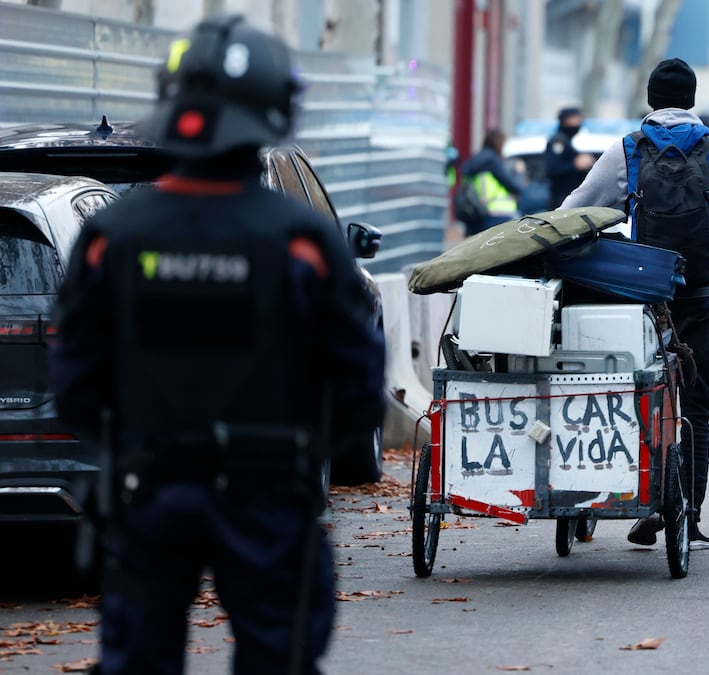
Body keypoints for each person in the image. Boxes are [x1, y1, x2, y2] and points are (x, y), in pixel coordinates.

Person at [48, 15, 386, 674]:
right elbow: (357, 387)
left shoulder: (112, 237)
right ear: (274, 107)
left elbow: (76, 383)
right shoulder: (304, 242)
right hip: (270, 494)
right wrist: (299, 456)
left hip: (148, 490)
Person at [561, 57, 709, 550]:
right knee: (697, 411)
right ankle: (690, 520)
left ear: (651, 98)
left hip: (647, 298)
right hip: (702, 295)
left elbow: (577, 209)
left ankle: (650, 500)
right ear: (693, 99)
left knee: (644, 398)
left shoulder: (629, 150)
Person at [460, 128, 524, 235]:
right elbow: (512, 185)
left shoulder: (475, 160)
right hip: (498, 213)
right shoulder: (492, 161)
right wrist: (519, 173)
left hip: (477, 213)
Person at [544, 106, 595, 209]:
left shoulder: (567, 141)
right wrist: (575, 165)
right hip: (561, 200)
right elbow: (552, 169)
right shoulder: (558, 141)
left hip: (570, 200)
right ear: (567, 119)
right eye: (576, 119)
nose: (580, 122)